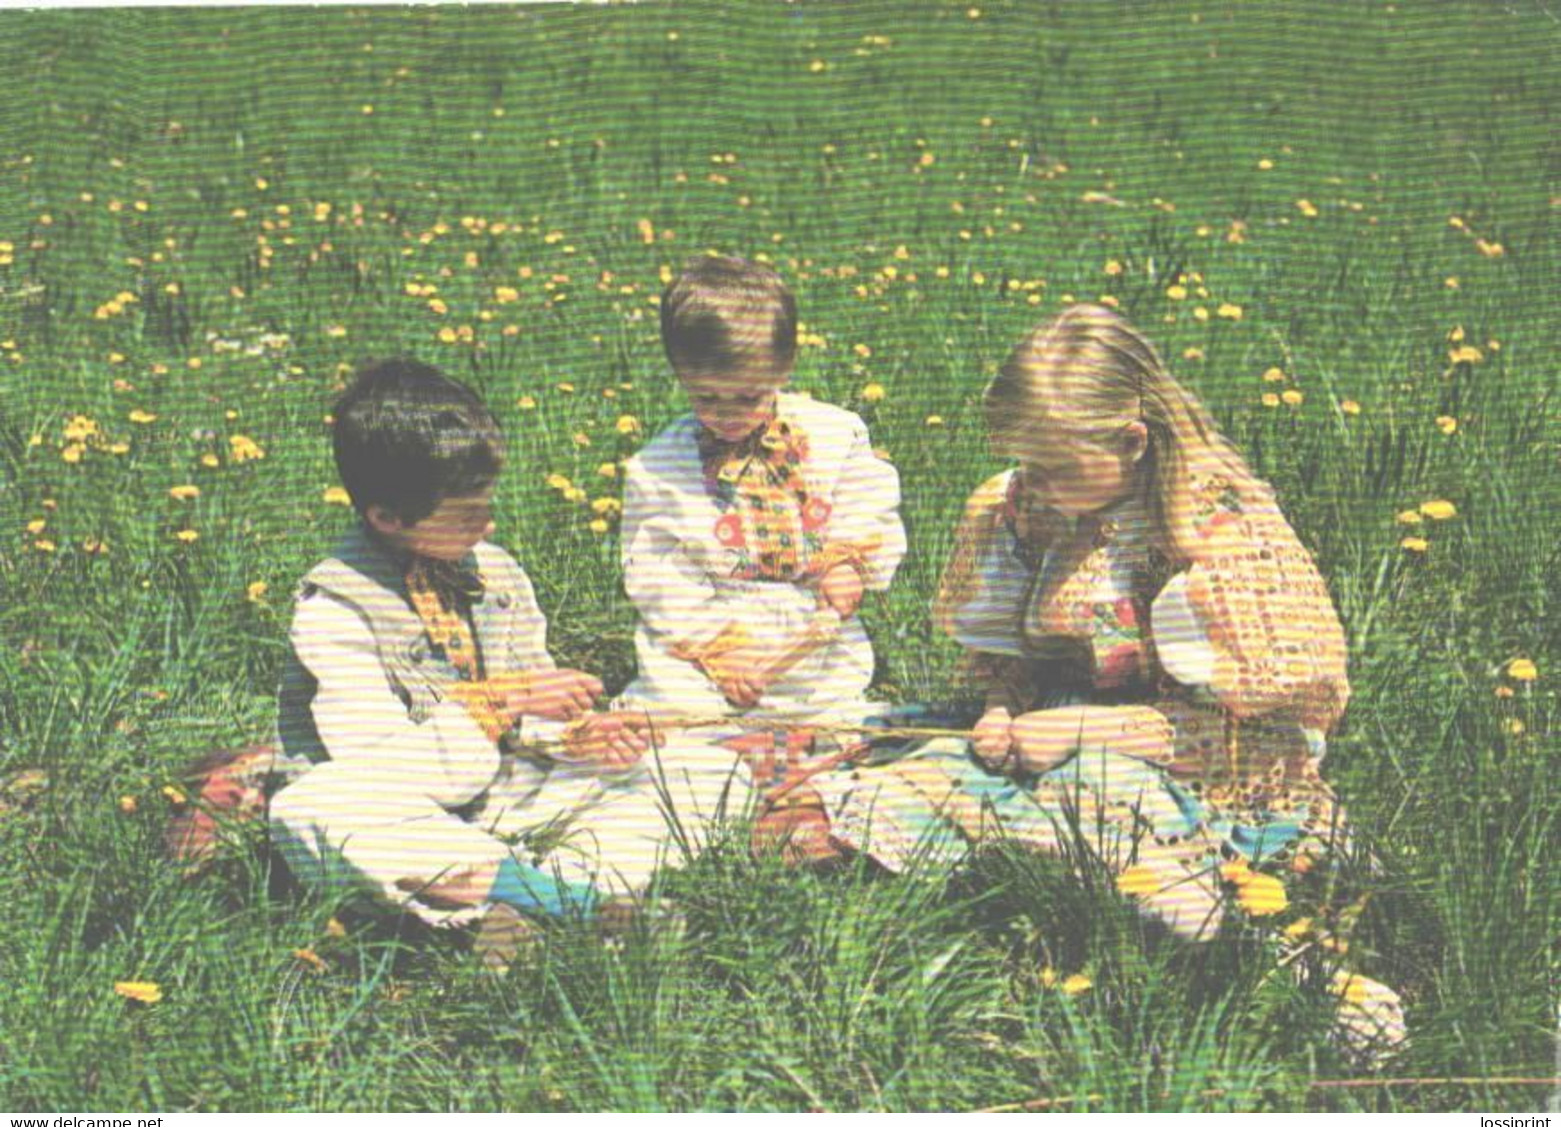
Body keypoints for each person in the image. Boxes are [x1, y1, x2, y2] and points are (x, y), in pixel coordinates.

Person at [793, 304, 1405, 1054]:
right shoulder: (1027, 506)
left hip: (1198, 760)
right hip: (1051, 724)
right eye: (1025, 465)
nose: (1033, 487)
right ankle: (1038, 890)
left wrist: (1089, 728)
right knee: (884, 778)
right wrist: (999, 703)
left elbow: (1270, 726)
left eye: (1051, 470)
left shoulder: (1216, 531)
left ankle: (1281, 970)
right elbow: (1014, 649)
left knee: (1100, 806)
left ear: (1130, 442)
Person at [269, 358, 750, 960]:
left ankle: (536, 903)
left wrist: (576, 738)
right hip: (407, 814)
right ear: (387, 517)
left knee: (708, 770)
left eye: (487, 504)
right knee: (306, 808)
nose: (488, 523)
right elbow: (386, 771)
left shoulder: (494, 573)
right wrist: (507, 700)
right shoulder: (336, 609)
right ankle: (562, 906)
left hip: (508, 796)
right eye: (467, 513)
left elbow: (533, 711)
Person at [617, 255, 906, 726]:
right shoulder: (659, 467)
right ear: (679, 374)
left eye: (749, 397)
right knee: (682, 713)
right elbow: (657, 570)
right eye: (706, 397)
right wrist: (717, 646)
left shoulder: (835, 434)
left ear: (785, 366)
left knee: (828, 713)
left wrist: (846, 562)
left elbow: (866, 500)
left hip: (810, 624)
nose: (727, 415)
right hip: (715, 625)